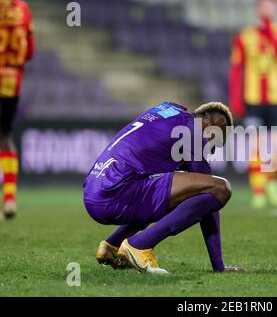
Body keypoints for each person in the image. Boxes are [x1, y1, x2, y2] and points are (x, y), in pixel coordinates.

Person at [83, 102, 245, 274]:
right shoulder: (195, 133)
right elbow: (210, 194)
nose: (211, 151)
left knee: (170, 194)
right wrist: (218, 266)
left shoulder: (169, 109)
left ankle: (112, 246)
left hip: (95, 191)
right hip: (117, 193)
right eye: (215, 143)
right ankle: (139, 245)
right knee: (221, 188)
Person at [229, 0, 277, 209]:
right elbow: (236, 68)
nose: (268, 9)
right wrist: (236, 99)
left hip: (276, 98)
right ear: (258, 9)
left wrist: (269, 32)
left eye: (271, 6)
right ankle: (258, 193)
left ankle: (272, 180)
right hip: (253, 99)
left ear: (275, 9)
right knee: (256, 146)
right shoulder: (244, 36)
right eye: (264, 5)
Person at [0, 0, 35, 220]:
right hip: (11, 80)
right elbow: (29, 51)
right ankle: (10, 198)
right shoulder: (22, 9)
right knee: (4, 135)